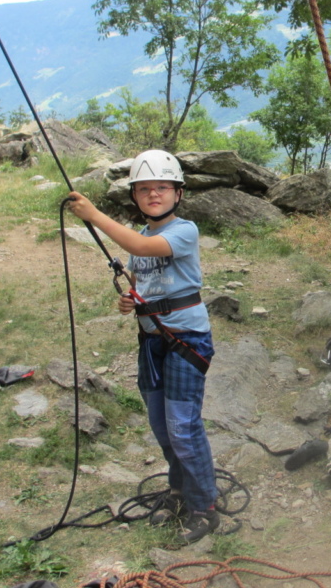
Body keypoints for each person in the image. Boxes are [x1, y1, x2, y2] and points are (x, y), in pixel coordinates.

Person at [67, 149, 218, 544]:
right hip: (151, 341)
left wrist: (94, 216)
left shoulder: (183, 231)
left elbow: (144, 248)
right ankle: (179, 489)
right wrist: (130, 302)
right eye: (145, 189)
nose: (154, 194)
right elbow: (141, 277)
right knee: (161, 426)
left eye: (162, 187)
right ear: (135, 196)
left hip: (185, 339)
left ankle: (205, 507)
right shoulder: (142, 240)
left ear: (178, 193)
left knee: (183, 427)